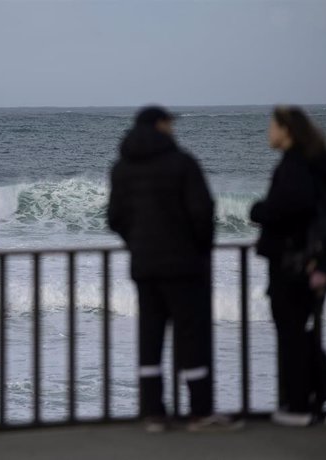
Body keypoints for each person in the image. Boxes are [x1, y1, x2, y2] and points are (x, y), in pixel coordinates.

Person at [108, 106, 240, 432]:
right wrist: (200, 250)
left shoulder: (122, 168)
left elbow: (115, 218)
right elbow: (202, 213)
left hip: (144, 266)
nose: (172, 128)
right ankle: (199, 412)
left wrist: (137, 243)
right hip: (184, 266)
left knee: (150, 338)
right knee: (191, 337)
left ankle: (153, 413)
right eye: (169, 123)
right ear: (160, 125)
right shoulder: (182, 163)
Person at [250, 106, 326, 427]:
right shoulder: (310, 164)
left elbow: (292, 207)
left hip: (296, 263)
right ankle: (303, 403)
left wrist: (260, 210)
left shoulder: (295, 165)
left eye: (272, 126)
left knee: (292, 331)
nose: (268, 132)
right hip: (314, 261)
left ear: (287, 130)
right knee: (295, 331)